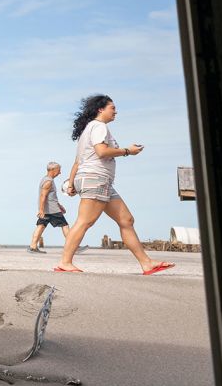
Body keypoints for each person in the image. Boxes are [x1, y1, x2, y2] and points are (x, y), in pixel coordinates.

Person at [56, 94, 173, 275]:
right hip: (96, 178)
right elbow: (102, 152)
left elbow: (78, 162)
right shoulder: (99, 127)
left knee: (126, 220)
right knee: (85, 221)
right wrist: (128, 151)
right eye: (112, 108)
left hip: (100, 180)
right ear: (100, 109)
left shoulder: (89, 129)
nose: (116, 111)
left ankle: (146, 263)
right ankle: (65, 262)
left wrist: (72, 184)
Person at [28, 162, 68, 253]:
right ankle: (73, 246)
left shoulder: (46, 179)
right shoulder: (48, 181)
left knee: (41, 226)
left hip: (49, 208)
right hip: (52, 210)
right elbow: (43, 196)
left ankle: (33, 247)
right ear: (53, 170)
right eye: (59, 170)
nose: (60, 173)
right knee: (65, 225)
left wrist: (59, 205)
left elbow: (50, 197)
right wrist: (41, 210)